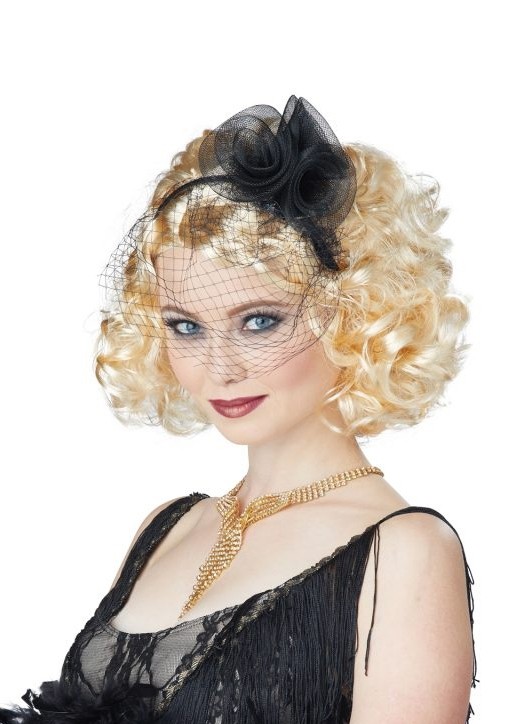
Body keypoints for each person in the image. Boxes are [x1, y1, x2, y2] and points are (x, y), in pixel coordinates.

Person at [0, 95, 478, 723]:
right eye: (186, 326)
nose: (219, 366)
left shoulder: (405, 552)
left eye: (259, 321)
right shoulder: (165, 528)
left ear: (354, 316)